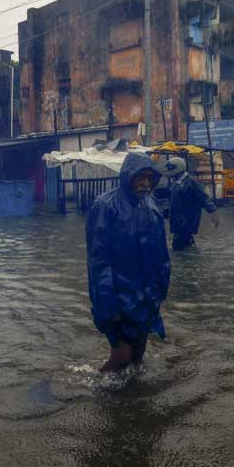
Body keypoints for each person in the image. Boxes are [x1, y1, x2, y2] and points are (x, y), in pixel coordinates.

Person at [86, 152, 171, 372]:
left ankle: (131, 397)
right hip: (118, 294)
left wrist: (161, 288)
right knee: (121, 355)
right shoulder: (106, 206)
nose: (145, 183)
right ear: (127, 176)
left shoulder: (151, 206)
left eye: (149, 178)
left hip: (146, 295)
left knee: (138, 354)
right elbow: (98, 259)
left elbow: (161, 253)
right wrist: (107, 302)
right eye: (139, 177)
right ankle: (98, 392)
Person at [163, 157, 219, 251]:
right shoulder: (174, 183)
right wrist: (164, 214)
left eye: (171, 168)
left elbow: (203, 197)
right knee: (184, 245)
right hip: (177, 220)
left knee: (179, 246)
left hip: (187, 220)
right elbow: (171, 201)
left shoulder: (191, 182)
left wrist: (213, 212)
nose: (169, 171)